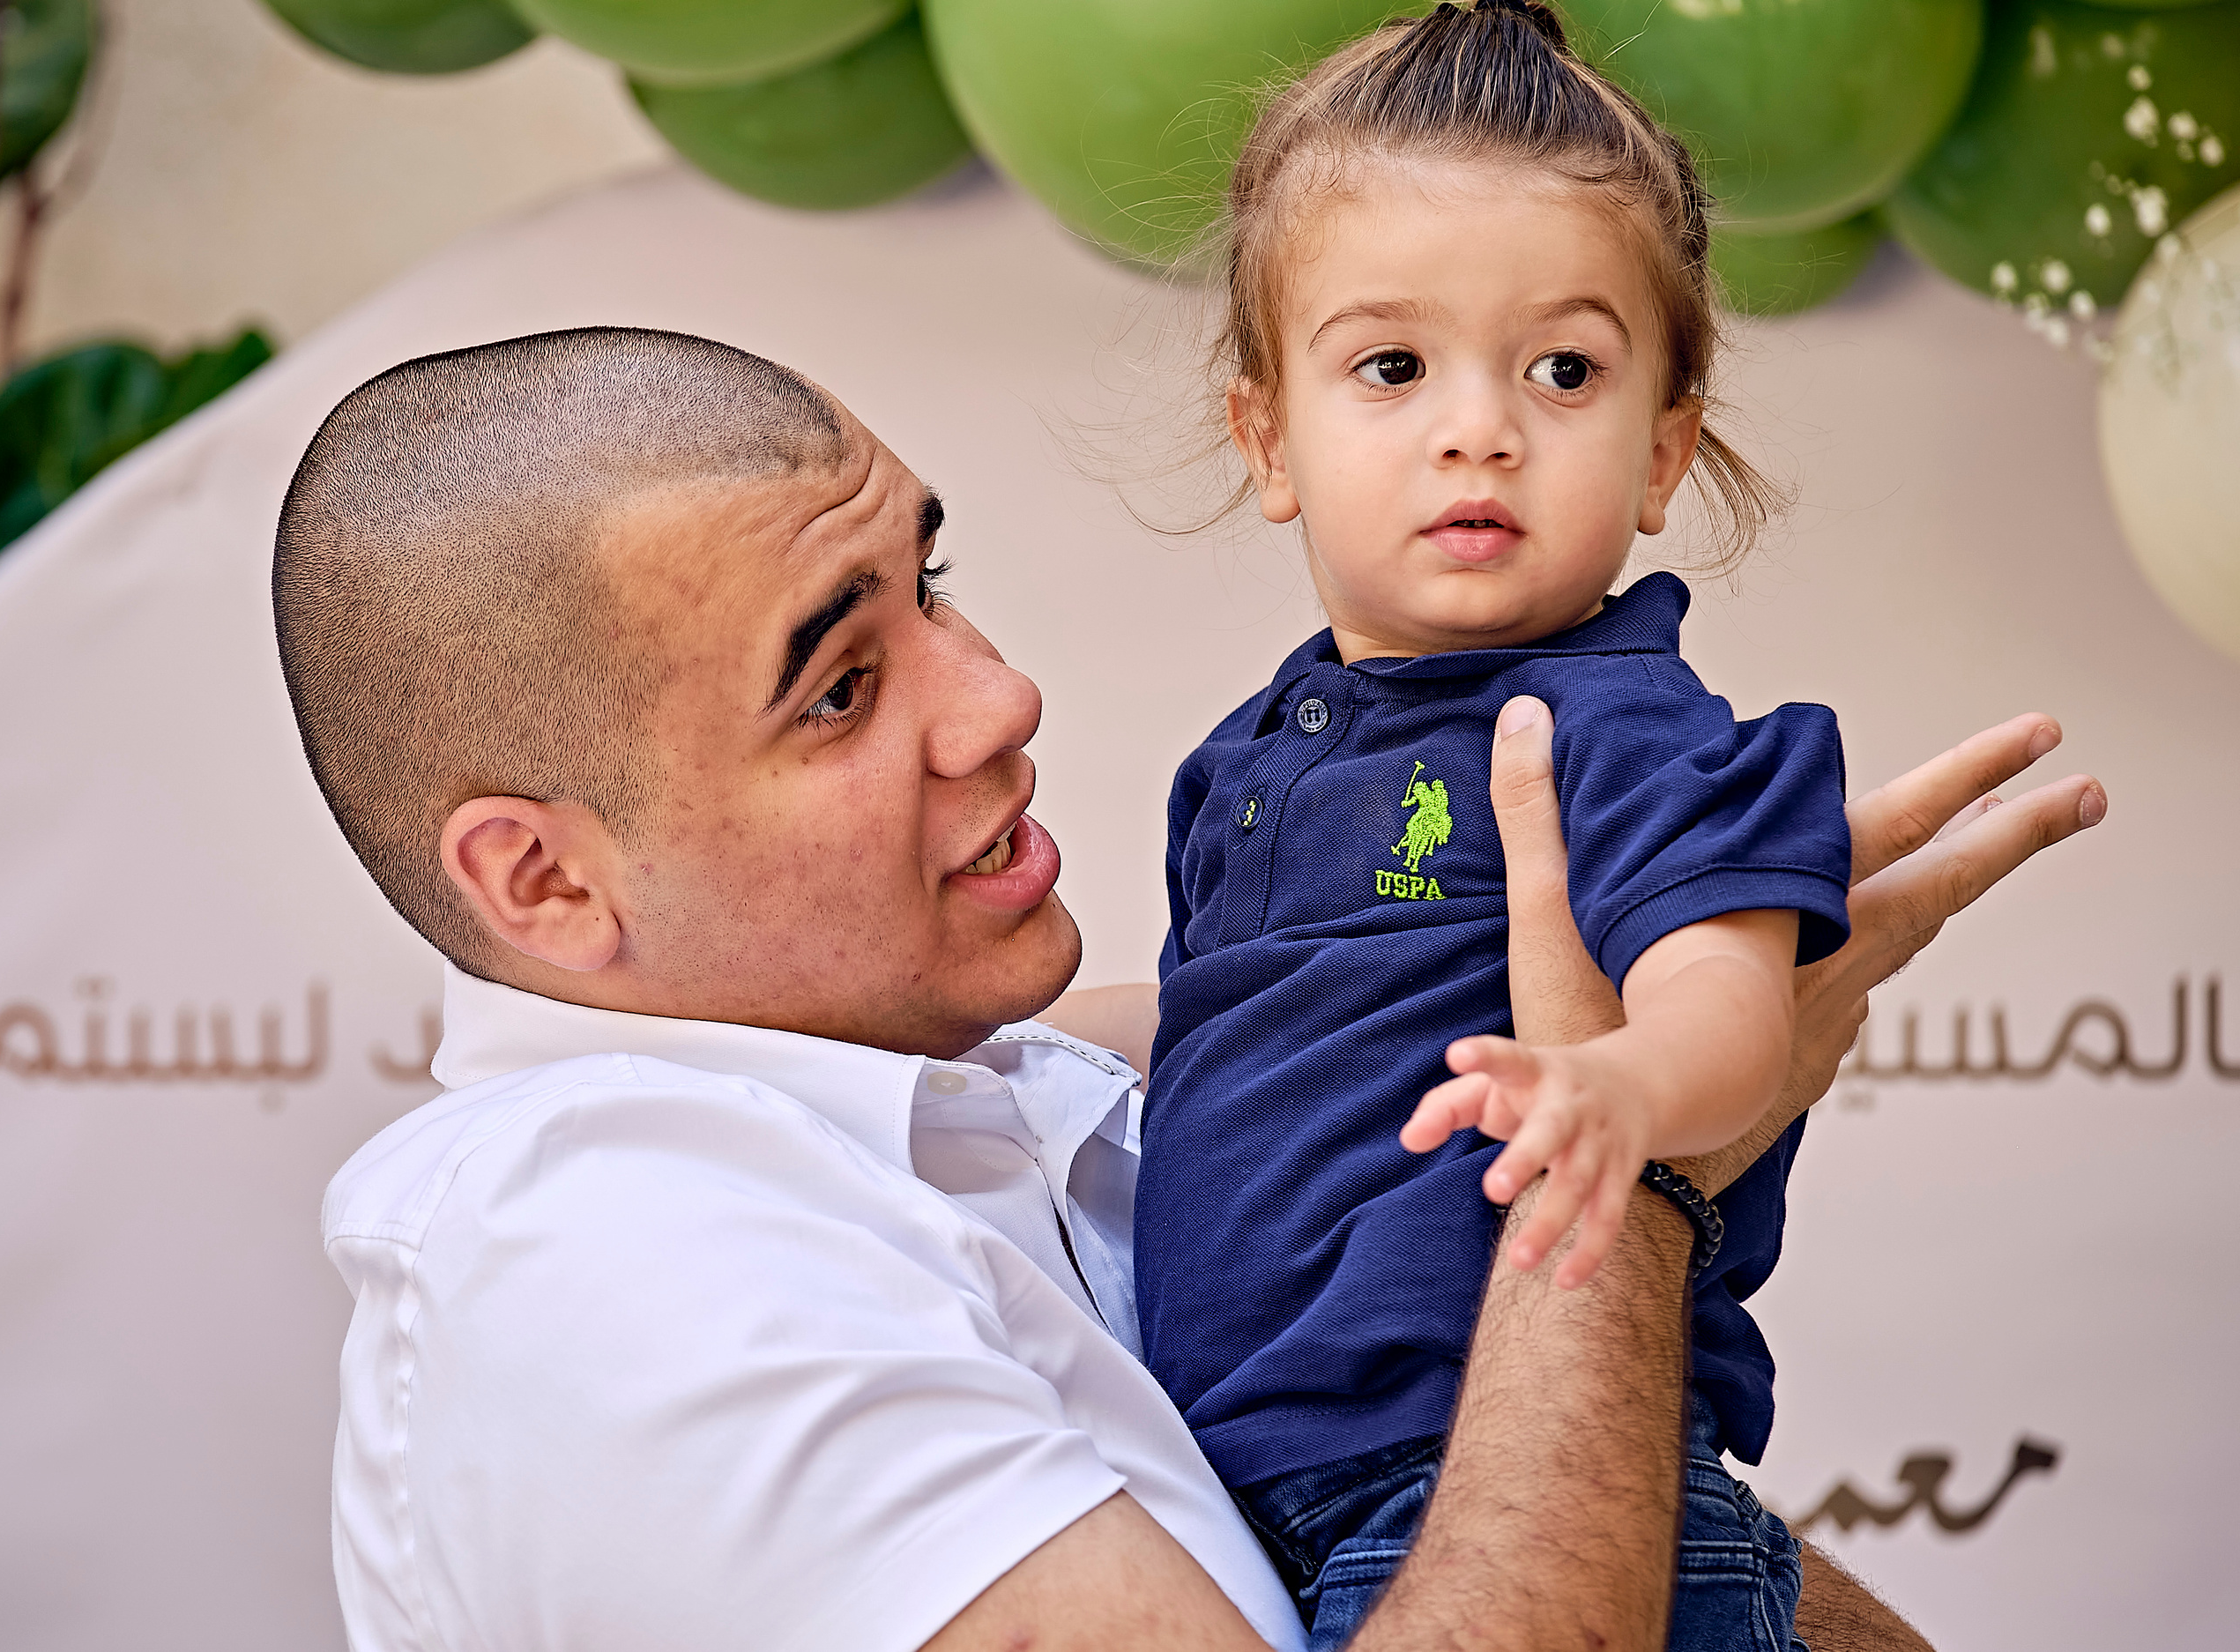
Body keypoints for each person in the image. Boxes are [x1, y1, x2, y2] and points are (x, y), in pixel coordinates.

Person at [272, 324, 2103, 1651]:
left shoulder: (1000, 1095)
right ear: (542, 877)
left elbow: (1562, 1519)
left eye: (932, 583)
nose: (993, 700)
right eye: (835, 687)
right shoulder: (617, 1261)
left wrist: (1675, 929)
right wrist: (1622, 1165)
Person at [1129, 7, 1885, 1644]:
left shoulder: (1617, 719)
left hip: (1522, 1479)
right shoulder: (1240, 761)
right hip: (1239, 1499)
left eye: (1564, 370)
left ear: (1664, 447)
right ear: (1270, 437)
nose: (1480, 426)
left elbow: (1734, 1006)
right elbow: (1219, 1026)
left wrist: (1617, 1079)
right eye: (1392, 366)